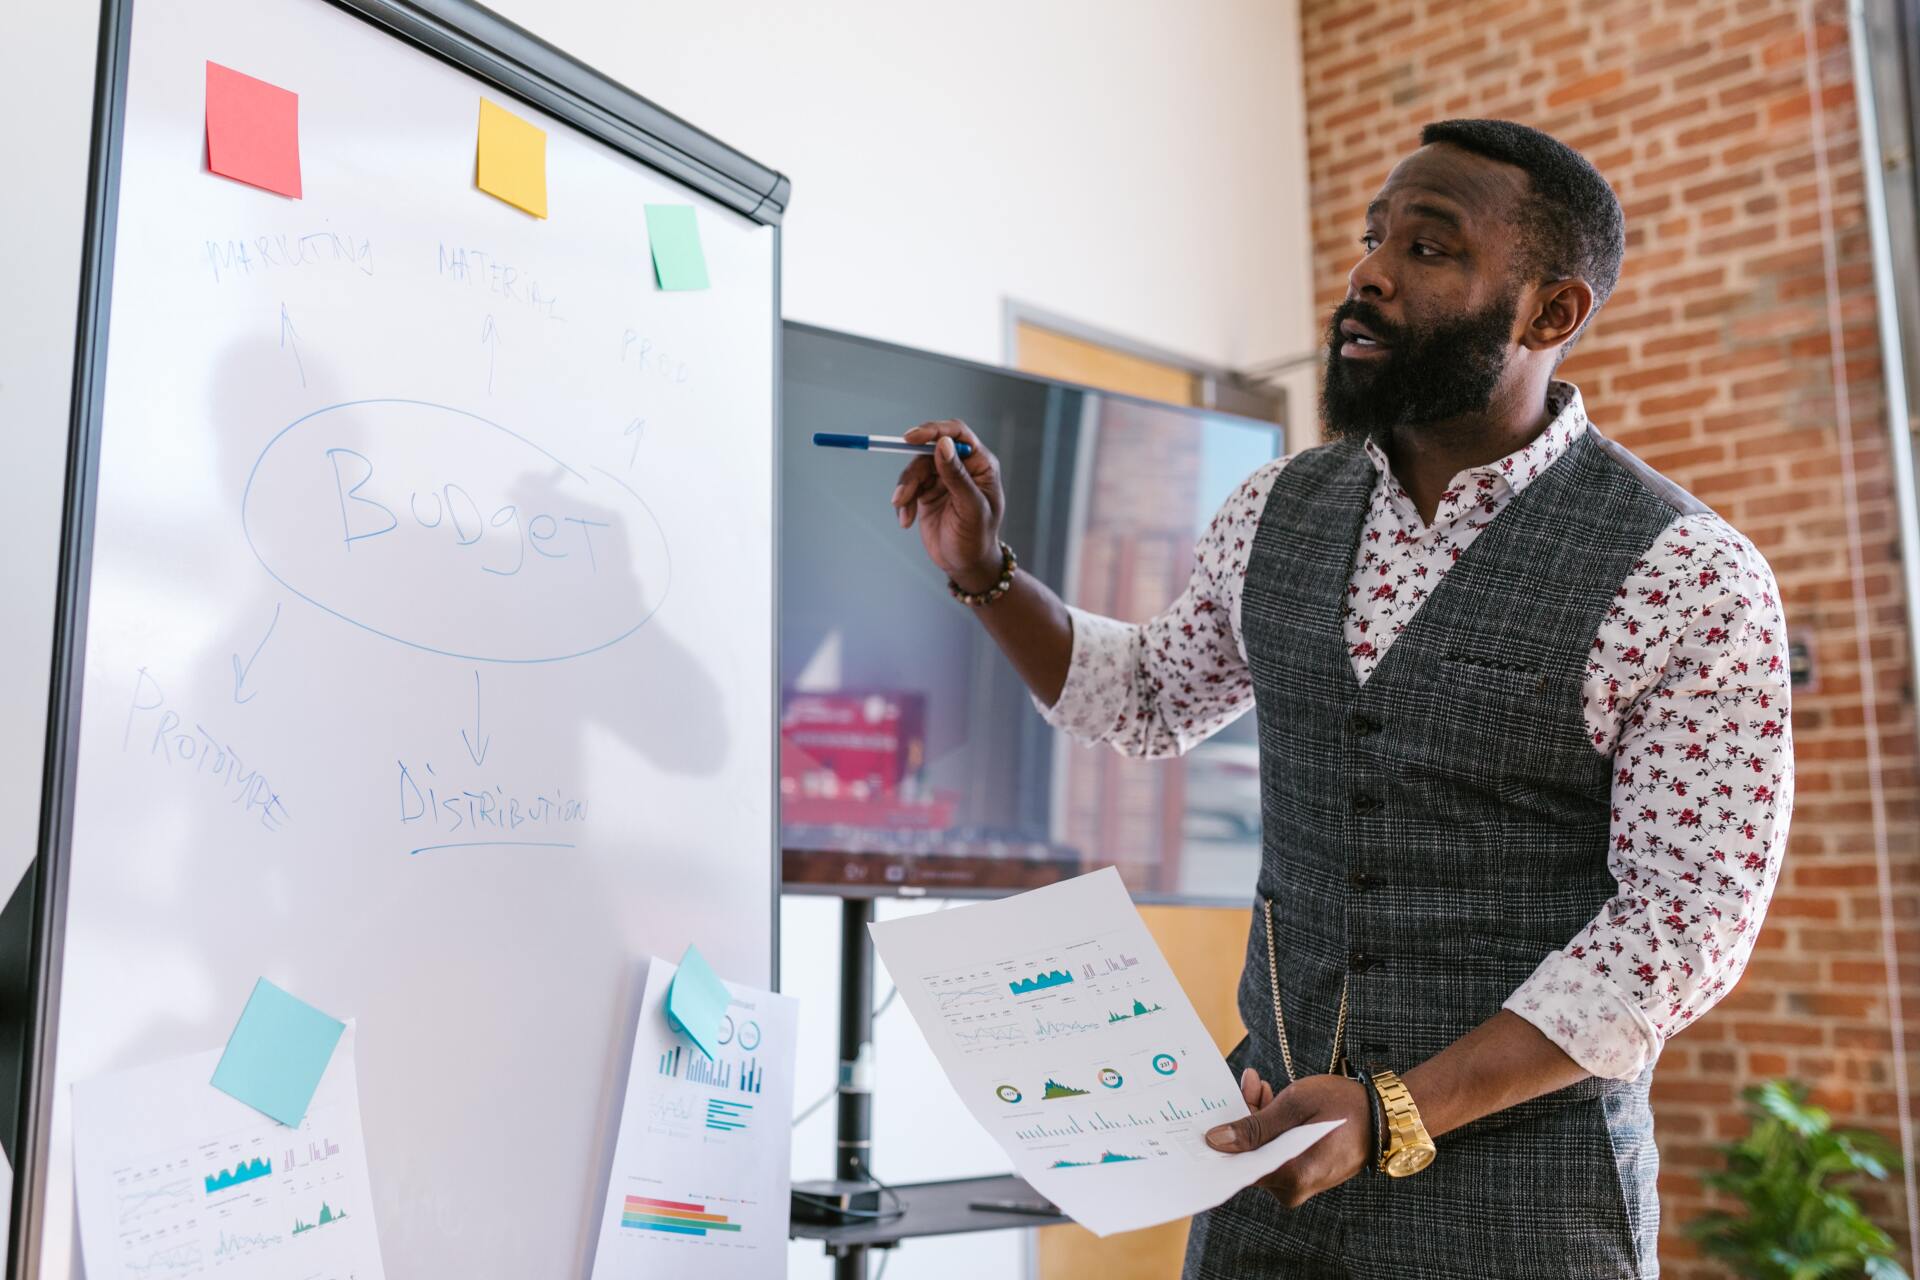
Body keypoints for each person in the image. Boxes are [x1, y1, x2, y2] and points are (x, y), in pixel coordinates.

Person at [884, 119, 1792, 1279]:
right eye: (1373, 237)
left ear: (1550, 315)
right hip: (1268, 1165)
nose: (1368, 272)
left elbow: (1682, 922)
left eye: (1428, 247)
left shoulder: (1689, 573)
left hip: (1526, 1202)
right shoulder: (1276, 508)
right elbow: (1150, 695)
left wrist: (1395, 1109)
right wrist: (985, 572)